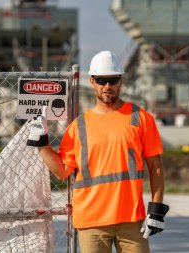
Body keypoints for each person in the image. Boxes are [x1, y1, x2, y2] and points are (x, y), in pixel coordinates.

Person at [27, 50, 169, 253]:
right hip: (91, 221)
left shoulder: (141, 118)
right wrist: (42, 145)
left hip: (131, 220)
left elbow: (155, 167)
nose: (107, 86)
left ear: (121, 80)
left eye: (113, 80)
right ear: (92, 81)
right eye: (102, 80)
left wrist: (156, 209)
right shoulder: (79, 126)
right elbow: (62, 172)